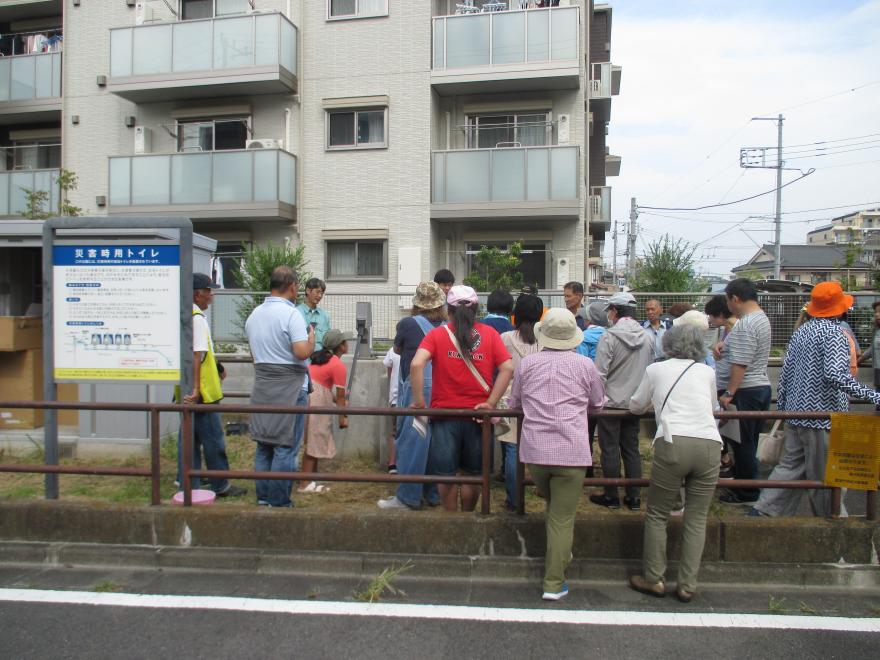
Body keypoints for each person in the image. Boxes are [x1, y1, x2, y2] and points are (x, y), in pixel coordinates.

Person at [750, 282, 880, 518]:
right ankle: (835, 528)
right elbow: (835, 374)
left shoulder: (802, 331)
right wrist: (873, 395)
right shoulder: (834, 334)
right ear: (839, 308)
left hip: (796, 414)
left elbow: (787, 373)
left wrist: (784, 410)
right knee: (826, 477)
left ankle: (762, 513)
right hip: (822, 416)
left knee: (788, 468)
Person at [509, 308, 606, 601]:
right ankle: (554, 582)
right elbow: (598, 403)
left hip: (536, 451)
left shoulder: (528, 364)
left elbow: (515, 402)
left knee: (554, 508)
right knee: (562, 518)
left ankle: (560, 555)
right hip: (572, 451)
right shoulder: (585, 365)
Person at [628, 324, 722, 603]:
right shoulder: (707, 372)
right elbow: (714, 408)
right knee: (696, 516)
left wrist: (653, 404)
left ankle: (654, 578)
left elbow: (635, 404)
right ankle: (687, 585)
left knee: (658, 513)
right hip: (709, 443)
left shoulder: (656, 370)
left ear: (667, 344)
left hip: (672, 441)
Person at [410, 285, 514, 512]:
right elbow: (507, 368)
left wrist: (419, 402)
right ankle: (467, 517)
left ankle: (451, 517)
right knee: (473, 475)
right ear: (476, 309)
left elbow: (417, 364)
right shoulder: (490, 335)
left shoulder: (437, 335)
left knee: (446, 475)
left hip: (444, 414)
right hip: (479, 416)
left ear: (449, 309)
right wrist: (492, 403)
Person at [245, 266, 315, 508]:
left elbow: (255, 355)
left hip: (263, 384)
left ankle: (264, 497)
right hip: (291, 387)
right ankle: (279, 500)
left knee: (264, 444)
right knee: (285, 446)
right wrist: (312, 341)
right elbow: (300, 352)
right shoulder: (291, 314)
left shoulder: (254, 314)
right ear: (293, 286)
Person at [377, 282, 447, 510]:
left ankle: (407, 497)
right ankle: (433, 495)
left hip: (418, 391)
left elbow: (397, 351)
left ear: (416, 304)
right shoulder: (449, 326)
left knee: (412, 443)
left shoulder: (408, 324)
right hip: (444, 392)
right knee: (437, 446)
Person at [176, 273, 246, 499]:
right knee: (213, 440)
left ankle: (190, 483)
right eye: (209, 290)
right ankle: (221, 484)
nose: (212, 295)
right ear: (198, 294)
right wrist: (196, 390)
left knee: (190, 440)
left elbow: (201, 354)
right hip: (203, 394)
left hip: (190, 392)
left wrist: (217, 366)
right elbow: (197, 355)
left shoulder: (186, 315)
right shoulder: (196, 318)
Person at [592, 292, 655, 510]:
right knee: (631, 449)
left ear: (615, 311)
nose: (608, 314)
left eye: (610, 310)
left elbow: (599, 373)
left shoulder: (609, 337)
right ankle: (634, 497)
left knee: (609, 449)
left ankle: (611, 496)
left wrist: (597, 400)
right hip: (635, 403)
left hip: (610, 403)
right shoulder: (648, 337)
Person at [717, 278, 772, 505]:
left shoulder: (746, 324)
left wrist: (729, 393)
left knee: (743, 445)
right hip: (759, 387)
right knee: (747, 442)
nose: (728, 306)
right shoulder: (761, 319)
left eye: (728, 300)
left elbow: (740, 364)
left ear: (735, 299)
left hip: (745, 390)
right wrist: (724, 346)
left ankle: (745, 492)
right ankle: (746, 488)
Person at [498, 294, 544, 510]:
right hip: (541, 399)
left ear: (515, 315)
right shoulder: (547, 339)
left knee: (511, 449)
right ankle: (542, 489)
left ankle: (513, 499)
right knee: (541, 447)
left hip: (509, 399)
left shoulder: (505, 338)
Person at [299, 329, 353, 493]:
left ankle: (309, 480)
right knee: (315, 439)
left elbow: (323, 386)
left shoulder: (320, 360)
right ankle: (304, 485)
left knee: (313, 439)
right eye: (345, 341)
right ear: (341, 346)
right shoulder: (337, 364)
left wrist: (337, 401)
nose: (347, 344)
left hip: (309, 396)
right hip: (317, 400)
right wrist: (342, 418)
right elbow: (341, 396)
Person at [296, 277, 331, 350]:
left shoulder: (324, 315)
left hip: (321, 359)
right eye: (317, 292)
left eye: (322, 293)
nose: (320, 296)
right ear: (308, 291)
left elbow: (328, 341)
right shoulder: (296, 312)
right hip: (303, 359)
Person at [857, 300, 880, 409]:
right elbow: (872, 349)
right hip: (878, 371)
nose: (877, 315)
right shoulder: (877, 330)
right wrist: (859, 360)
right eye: (875, 312)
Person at [382, 347, 400, 473]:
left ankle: (392, 463)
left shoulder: (393, 350)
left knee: (395, 431)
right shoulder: (418, 348)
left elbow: (389, 370)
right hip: (412, 398)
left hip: (395, 398)